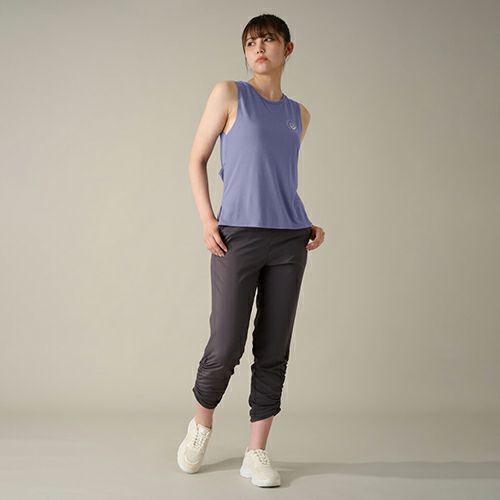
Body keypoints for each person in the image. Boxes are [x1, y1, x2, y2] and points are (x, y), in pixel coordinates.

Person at [177, 13, 325, 487]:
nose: (259, 48)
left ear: (287, 49)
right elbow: (197, 158)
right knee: (225, 345)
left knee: (274, 348)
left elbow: (278, 179)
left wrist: (305, 221)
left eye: (269, 40)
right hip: (236, 236)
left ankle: (255, 452)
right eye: (251, 42)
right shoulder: (228, 94)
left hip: (289, 240)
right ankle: (201, 425)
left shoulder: (299, 115)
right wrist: (208, 220)